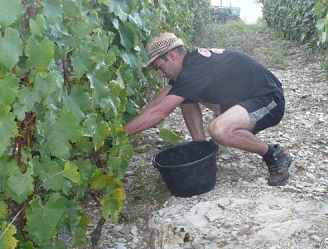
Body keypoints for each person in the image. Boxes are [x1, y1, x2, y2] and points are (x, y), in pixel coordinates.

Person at [123, 32, 292, 186]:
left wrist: (122, 134)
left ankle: (275, 154)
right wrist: (125, 128)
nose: (161, 74)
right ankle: (201, 149)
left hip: (269, 99)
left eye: (160, 67)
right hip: (246, 99)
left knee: (219, 130)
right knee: (184, 96)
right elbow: (156, 104)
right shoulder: (188, 67)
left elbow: (159, 113)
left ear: (172, 56)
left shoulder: (194, 68)